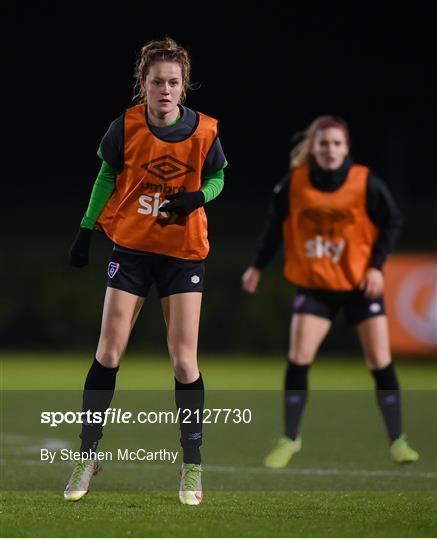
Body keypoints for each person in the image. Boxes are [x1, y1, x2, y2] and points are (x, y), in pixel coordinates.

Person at [64, 37, 227, 505]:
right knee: (109, 351)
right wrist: (85, 230)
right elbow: (106, 176)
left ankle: (192, 465)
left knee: (183, 360)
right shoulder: (126, 126)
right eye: (157, 81)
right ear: (143, 83)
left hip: (183, 252)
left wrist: (199, 197)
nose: (165, 89)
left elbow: (218, 176)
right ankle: (88, 455)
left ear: (184, 86)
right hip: (131, 248)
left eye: (174, 82)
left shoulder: (205, 131)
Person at [242, 115, 418, 469]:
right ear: (313, 147)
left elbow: (393, 220)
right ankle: (290, 438)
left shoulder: (364, 182)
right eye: (323, 143)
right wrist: (257, 266)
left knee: (379, 361)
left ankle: (398, 440)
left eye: (337, 143)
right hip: (316, 286)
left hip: (358, 285)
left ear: (346, 147)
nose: (330, 149)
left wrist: (375, 266)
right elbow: (275, 228)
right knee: (298, 358)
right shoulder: (294, 183)